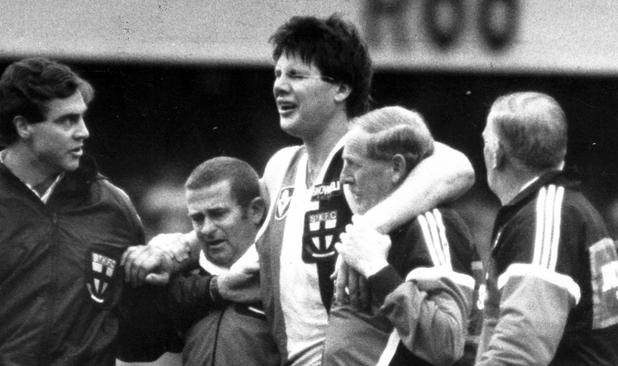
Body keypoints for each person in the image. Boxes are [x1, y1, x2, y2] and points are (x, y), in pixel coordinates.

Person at [123, 14, 475, 366]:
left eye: (295, 75)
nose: (279, 85)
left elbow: (457, 167)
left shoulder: (372, 162)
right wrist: (177, 247)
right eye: (277, 74)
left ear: (341, 88)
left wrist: (370, 228)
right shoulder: (282, 167)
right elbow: (237, 218)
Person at [0, 57, 173, 366]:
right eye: (68, 120)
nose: (84, 132)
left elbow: (139, 340)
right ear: (23, 126)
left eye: (82, 118)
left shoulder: (113, 207)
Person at [322, 106, 475, 366]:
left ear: (396, 168)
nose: (344, 178)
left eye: (353, 165)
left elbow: (446, 343)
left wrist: (376, 268)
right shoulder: (378, 222)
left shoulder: (432, 225)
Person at [476, 91, 618, 365]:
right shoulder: (564, 208)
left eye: (484, 141)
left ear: (495, 153)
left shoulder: (544, 219)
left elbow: (517, 355)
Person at [161, 156, 279, 365]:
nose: (206, 229)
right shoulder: (183, 280)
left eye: (218, 214)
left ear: (255, 211)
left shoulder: (280, 273)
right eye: (197, 218)